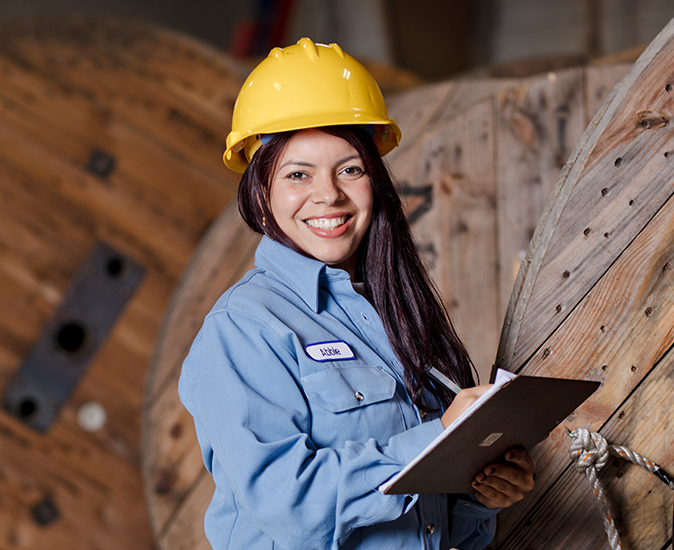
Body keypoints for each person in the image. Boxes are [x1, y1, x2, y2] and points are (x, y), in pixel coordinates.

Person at [179, 38, 535, 550]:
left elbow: (431, 530)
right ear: (262, 194)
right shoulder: (244, 328)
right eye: (298, 174)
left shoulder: (393, 311)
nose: (329, 194)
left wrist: (480, 492)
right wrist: (437, 441)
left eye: (350, 169)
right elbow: (290, 505)